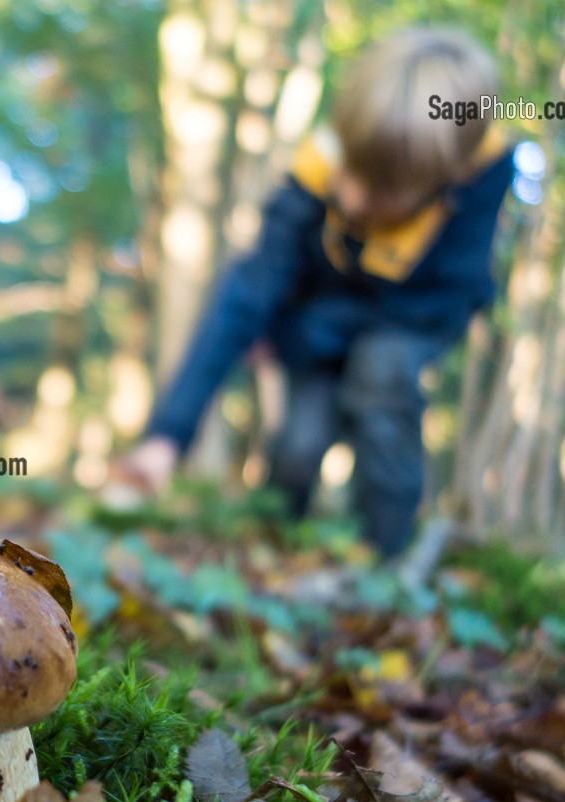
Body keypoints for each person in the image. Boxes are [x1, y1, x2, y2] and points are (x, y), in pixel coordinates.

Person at [121, 27, 515, 558]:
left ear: (448, 179)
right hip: (313, 335)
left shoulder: (482, 166)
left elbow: (454, 296)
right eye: (354, 173)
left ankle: (385, 559)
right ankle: (273, 547)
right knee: (300, 445)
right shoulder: (319, 169)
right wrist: (167, 436)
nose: (354, 199)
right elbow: (246, 292)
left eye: (383, 192)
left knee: (382, 372)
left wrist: (325, 329)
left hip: (403, 326)